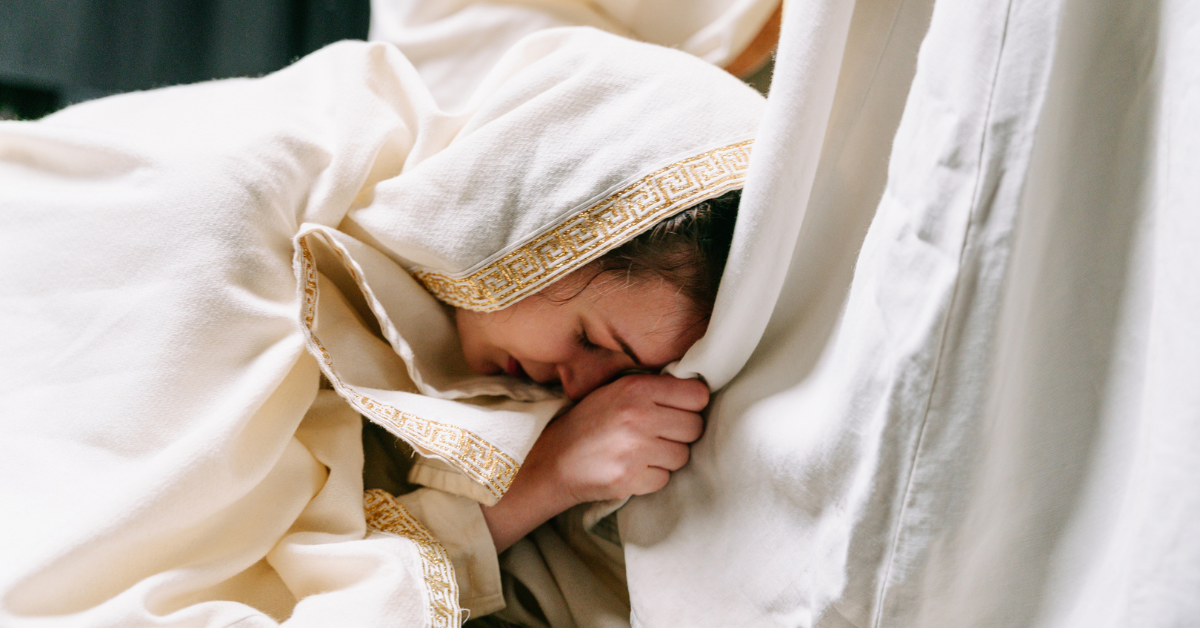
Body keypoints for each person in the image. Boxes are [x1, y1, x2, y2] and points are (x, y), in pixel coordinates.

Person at [0, 26, 763, 628]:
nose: (581, 387)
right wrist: (545, 477)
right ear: (537, 223)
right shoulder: (252, 201)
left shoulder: (460, 349)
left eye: (626, 374)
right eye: (592, 341)